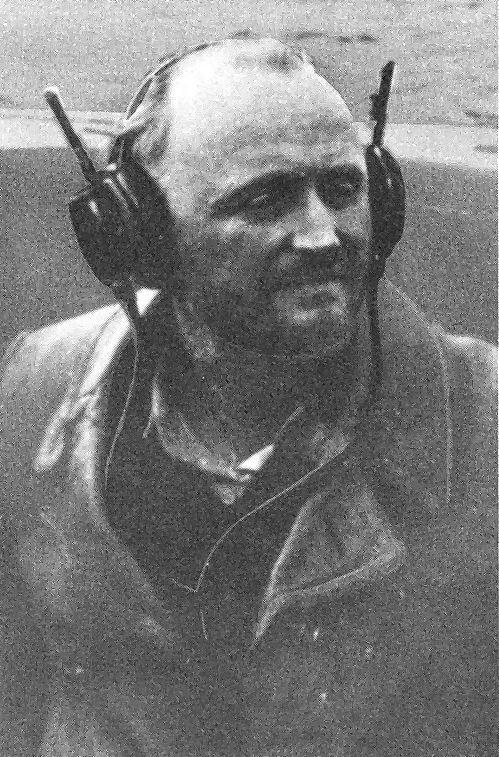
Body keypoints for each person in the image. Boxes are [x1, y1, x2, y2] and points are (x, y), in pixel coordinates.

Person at [0, 36, 496, 757]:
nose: (324, 236)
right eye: (263, 200)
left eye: (342, 187)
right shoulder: (32, 390)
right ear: (137, 233)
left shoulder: (484, 423)